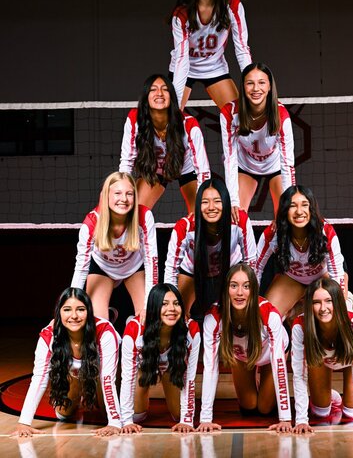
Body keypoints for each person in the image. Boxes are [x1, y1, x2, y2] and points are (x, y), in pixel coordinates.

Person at [13, 288, 122, 437]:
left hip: (101, 373)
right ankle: (81, 387)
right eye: (67, 310)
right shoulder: (48, 335)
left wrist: (114, 422)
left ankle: (93, 391)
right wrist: (24, 423)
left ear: (89, 312)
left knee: (105, 415)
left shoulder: (105, 331)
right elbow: (39, 378)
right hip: (75, 374)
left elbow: (107, 378)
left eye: (81, 309)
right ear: (59, 312)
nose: (74, 316)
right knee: (63, 414)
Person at [198, 264, 292, 433]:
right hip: (241, 356)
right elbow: (210, 366)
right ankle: (256, 383)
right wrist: (205, 418)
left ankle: (265, 385)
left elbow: (278, 365)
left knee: (264, 408)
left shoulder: (269, 314)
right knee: (249, 407)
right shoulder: (213, 317)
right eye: (234, 286)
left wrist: (285, 418)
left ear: (254, 290)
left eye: (246, 286)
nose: (240, 293)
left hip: (270, 356)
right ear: (226, 289)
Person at [291, 278, 353, 434]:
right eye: (316, 302)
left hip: (349, 357)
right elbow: (299, 375)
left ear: (338, 303)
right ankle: (330, 396)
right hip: (323, 356)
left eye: (329, 301)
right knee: (320, 412)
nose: (323, 308)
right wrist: (301, 420)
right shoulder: (301, 325)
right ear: (309, 305)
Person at [71, 171, 158, 322]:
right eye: (117, 193)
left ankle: (132, 323)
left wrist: (147, 305)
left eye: (129, 194)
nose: (124, 199)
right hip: (103, 268)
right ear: (107, 196)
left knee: (149, 317)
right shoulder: (92, 222)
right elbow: (81, 267)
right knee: (98, 323)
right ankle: (108, 317)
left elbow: (152, 262)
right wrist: (71, 300)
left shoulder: (144, 216)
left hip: (133, 266)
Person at [164, 178, 257, 318]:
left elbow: (251, 263)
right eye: (205, 202)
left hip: (229, 269)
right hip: (193, 271)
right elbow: (171, 269)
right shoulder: (185, 227)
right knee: (178, 314)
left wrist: (251, 293)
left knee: (238, 313)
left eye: (217, 201)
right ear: (197, 205)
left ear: (226, 202)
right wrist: (169, 300)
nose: (211, 207)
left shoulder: (239, 220)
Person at [169, 0, 252, 109]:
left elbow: (242, 49)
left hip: (215, 67)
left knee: (238, 116)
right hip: (184, 69)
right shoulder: (182, 13)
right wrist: (175, 105)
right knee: (172, 116)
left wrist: (251, 82)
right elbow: (181, 59)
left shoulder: (232, 6)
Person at [119, 74, 210, 213]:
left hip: (186, 168)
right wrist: (121, 189)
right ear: (146, 97)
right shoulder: (135, 119)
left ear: (171, 96)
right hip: (156, 169)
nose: (159, 93)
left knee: (201, 213)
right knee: (134, 212)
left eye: (165, 89)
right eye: (153, 89)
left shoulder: (189, 124)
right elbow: (127, 161)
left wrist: (206, 197)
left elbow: (203, 171)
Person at [257, 185, 347, 320]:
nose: (299, 211)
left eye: (305, 205)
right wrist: (250, 301)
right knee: (265, 317)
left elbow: (337, 274)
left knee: (335, 313)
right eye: (292, 206)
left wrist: (340, 305)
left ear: (311, 209)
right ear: (284, 210)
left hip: (323, 276)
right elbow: (256, 269)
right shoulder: (273, 234)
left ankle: (349, 304)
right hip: (292, 278)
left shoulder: (325, 232)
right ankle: (295, 311)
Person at [120, 283, 200, 433]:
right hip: (145, 365)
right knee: (137, 416)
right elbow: (127, 378)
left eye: (176, 303)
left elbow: (190, 378)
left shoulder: (191, 329)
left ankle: (166, 375)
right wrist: (126, 421)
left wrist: (187, 420)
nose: (172, 309)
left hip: (171, 366)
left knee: (178, 415)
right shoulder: (134, 329)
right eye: (164, 304)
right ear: (154, 307)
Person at [220, 62, 295, 223]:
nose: (256, 89)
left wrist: (289, 199)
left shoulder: (281, 115)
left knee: (285, 216)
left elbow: (288, 163)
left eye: (261, 82)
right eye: (250, 83)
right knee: (235, 217)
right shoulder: (230, 113)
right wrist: (233, 200)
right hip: (246, 166)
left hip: (275, 166)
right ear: (243, 86)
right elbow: (229, 158)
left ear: (269, 86)